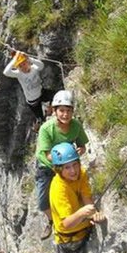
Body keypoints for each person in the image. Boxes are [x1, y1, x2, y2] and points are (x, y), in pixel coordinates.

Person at [35, 90, 89, 240]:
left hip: (68, 165)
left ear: (73, 111)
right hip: (47, 167)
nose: (65, 115)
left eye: (68, 111)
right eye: (62, 111)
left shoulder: (76, 126)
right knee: (42, 202)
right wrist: (59, 164)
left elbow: (82, 145)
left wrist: (80, 150)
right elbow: (44, 154)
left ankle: (79, 217)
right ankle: (51, 220)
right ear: (54, 111)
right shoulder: (46, 129)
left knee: (74, 194)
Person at [49, 142, 105, 253]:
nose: (73, 170)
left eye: (75, 164)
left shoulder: (82, 173)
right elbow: (66, 223)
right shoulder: (58, 189)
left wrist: (94, 214)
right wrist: (82, 213)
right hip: (70, 240)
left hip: (84, 227)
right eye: (67, 167)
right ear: (58, 169)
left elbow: (86, 196)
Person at [3, 50, 56, 131]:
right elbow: (6, 72)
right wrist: (15, 58)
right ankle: (38, 125)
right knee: (41, 119)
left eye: (24, 64)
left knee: (55, 95)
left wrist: (29, 58)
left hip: (41, 92)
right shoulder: (19, 74)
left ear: (28, 63)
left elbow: (41, 65)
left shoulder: (34, 68)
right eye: (20, 66)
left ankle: (49, 109)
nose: (23, 67)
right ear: (18, 68)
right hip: (32, 101)